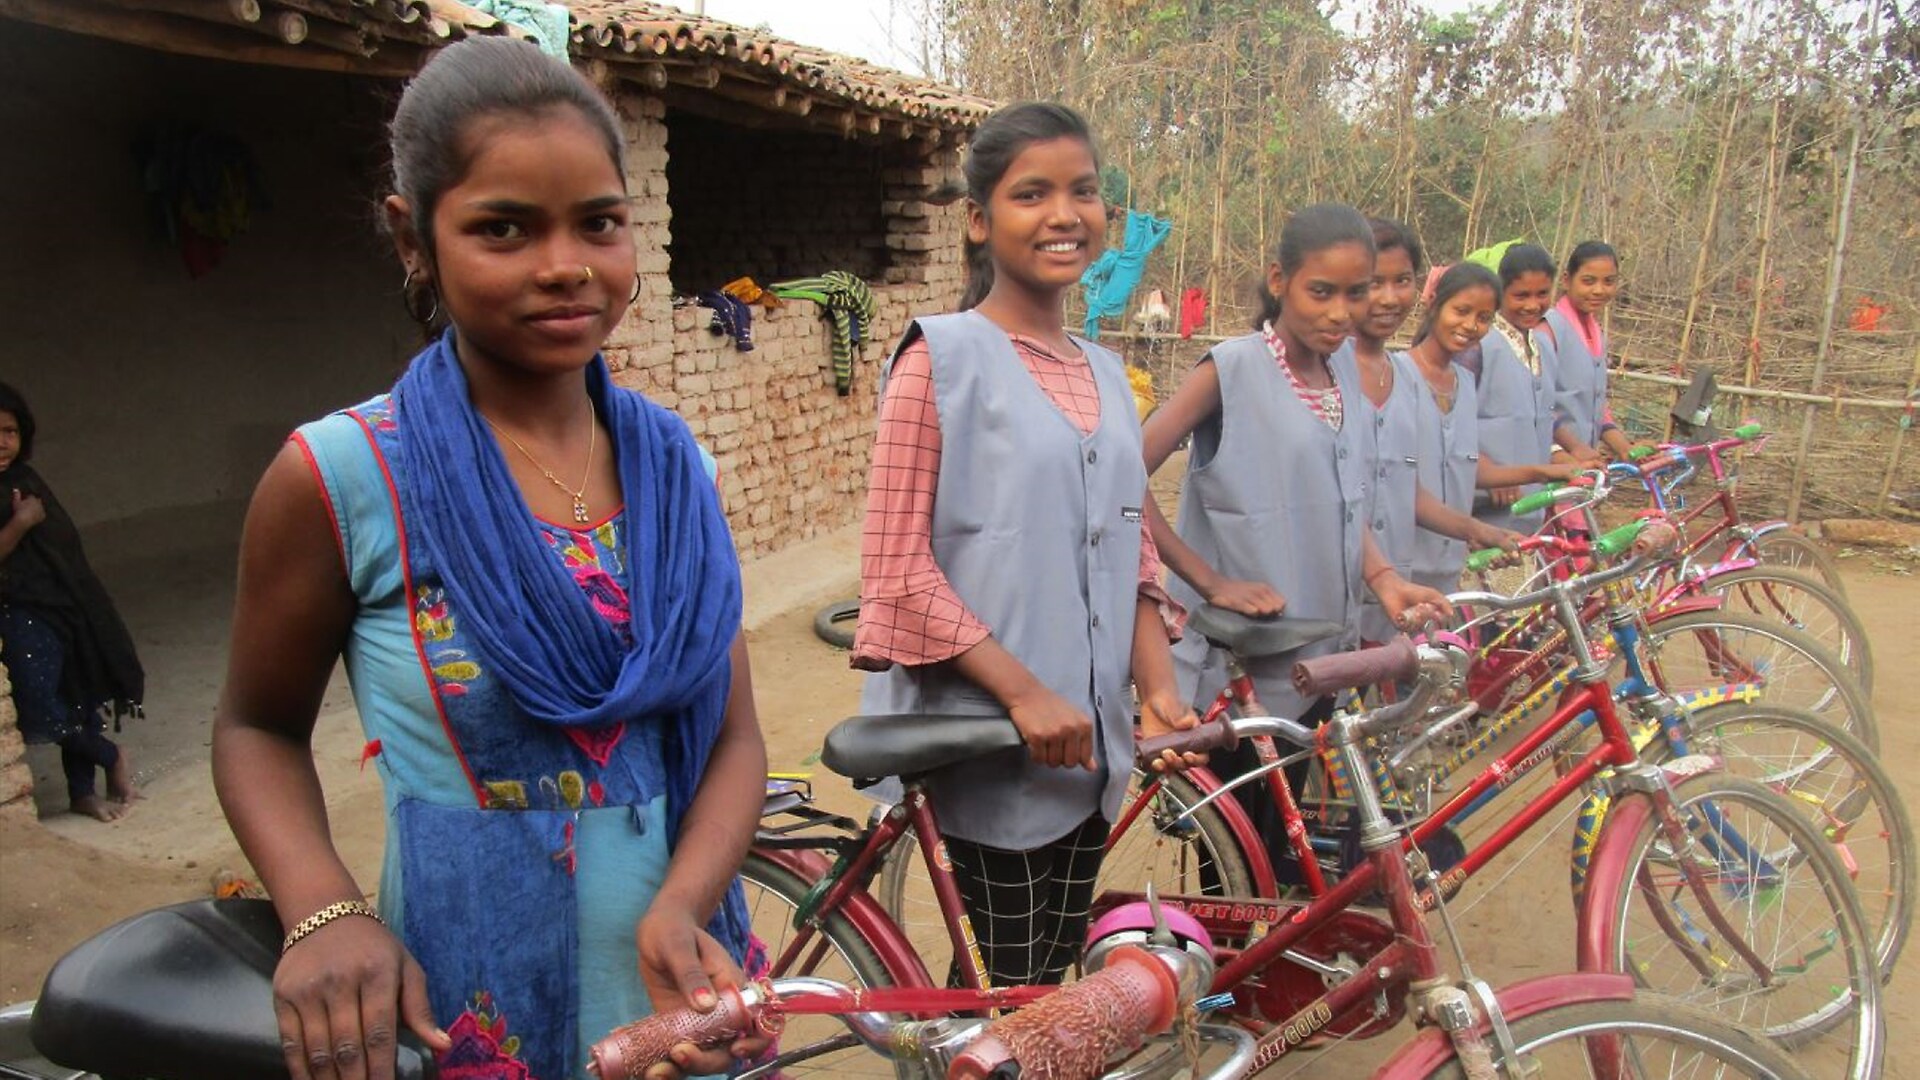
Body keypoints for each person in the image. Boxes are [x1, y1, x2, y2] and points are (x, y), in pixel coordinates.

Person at [210, 39, 766, 1080]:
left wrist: (687, 904)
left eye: (598, 222)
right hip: (463, 994)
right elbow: (255, 727)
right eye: (503, 229)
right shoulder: (343, 475)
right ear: (411, 238)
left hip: (675, 995)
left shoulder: (672, 466)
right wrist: (321, 910)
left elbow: (732, 737)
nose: (565, 265)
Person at [850, 101, 1200, 989]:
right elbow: (898, 569)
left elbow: (1135, 553)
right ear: (980, 219)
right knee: (1007, 1000)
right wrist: (1025, 696)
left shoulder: (1108, 373)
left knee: (1053, 986)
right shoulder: (940, 359)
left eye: (1083, 193)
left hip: (1091, 752)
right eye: (1031, 193)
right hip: (987, 745)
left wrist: (1159, 693)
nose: (1064, 215)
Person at [1140, 204, 1449, 876]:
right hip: (1238, 670)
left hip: (1316, 662)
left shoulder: (1342, 380)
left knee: (1279, 844)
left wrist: (1386, 580)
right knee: (1233, 865)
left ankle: (1248, 973)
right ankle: (1215, 984)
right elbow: (1120, 476)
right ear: (1280, 281)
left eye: (1357, 292)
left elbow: (1347, 504)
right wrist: (1209, 580)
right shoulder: (1232, 369)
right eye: (1322, 292)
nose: (1341, 312)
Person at [1342, 219, 1516, 641]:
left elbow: (1407, 491)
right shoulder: (1322, 372)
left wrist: (1475, 529)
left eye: (1401, 280)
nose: (1388, 297)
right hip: (1331, 592)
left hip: (1393, 592)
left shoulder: (1400, 381)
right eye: (1372, 282)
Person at [0, 382, 143, 823]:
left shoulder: (23, 481)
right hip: (17, 609)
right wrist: (21, 523)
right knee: (40, 702)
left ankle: (82, 793)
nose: (2, 442)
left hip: (59, 605)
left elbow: (64, 550)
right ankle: (109, 754)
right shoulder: (17, 498)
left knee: (76, 693)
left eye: (10, 430)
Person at [1403, 264, 1578, 594]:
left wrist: (1547, 470)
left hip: (1450, 560)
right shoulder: (1398, 377)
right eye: (1461, 311)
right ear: (1433, 304)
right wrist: (1477, 530)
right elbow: (1399, 485)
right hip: (1403, 562)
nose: (1470, 325)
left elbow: (1466, 469)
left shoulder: (1464, 384)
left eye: (1483, 318)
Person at [1470, 242, 1585, 534]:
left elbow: (1541, 419)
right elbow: (1449, 421)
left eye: (1542, 294)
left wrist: (1572, 454)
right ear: (1500, 292)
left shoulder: (1544, 345)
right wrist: (1488, 470)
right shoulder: (1480, 346)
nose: (1532, 305)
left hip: (1530, 507)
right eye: (1521, 295)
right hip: (1481, 508)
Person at [1545, 240, 1637, 460]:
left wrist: (1626, 448)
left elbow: (1597, 408)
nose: (1599, 290)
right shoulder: (1549, 328)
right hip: (1550, 462)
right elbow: (1535, 406)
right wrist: (1566, 453)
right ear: (1567, 280)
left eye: (1608, 282)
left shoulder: (1596, 333)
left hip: (1582, 464)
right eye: (1588, 281)